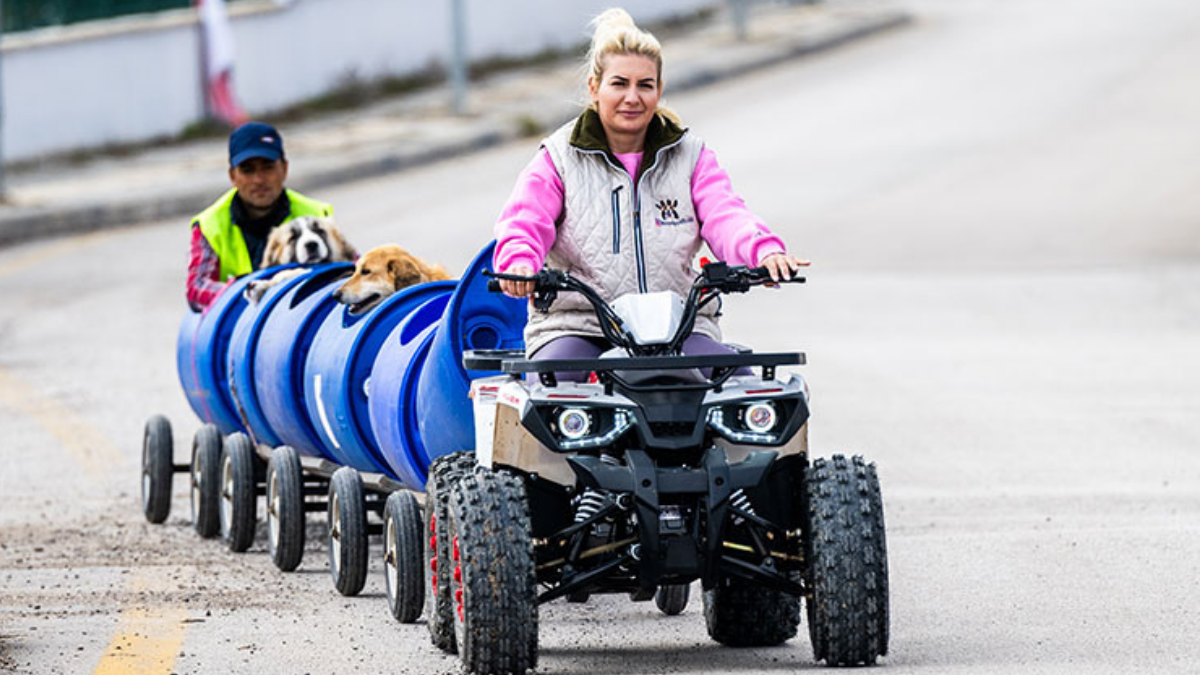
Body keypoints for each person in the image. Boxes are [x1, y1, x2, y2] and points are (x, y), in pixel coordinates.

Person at [493, 8, 807, 371]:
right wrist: (518, 263)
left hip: (679, 328)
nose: (632, 97)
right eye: (619, 83)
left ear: (659, 90)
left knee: (745, 398)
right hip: (579, 326)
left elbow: (726, 214)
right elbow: (524, 222)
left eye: (645, 85)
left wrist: (763, 252)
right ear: (594, 88)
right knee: (551, 395)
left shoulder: (691, 156)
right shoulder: (558, 158)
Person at [186, 121, 333, 310]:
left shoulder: (316, 214)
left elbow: (350, 270)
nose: (259, 179)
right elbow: (197, 288)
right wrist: (254, 293)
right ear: (232, 175)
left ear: (284, 169)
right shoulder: (209, 224)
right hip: (237, 326)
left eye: (268, 167)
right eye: (248, 170)